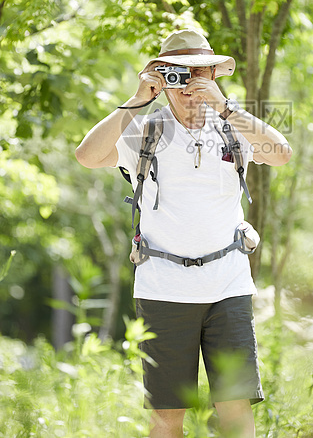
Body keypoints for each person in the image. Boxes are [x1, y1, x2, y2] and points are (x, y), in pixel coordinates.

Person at [75, 29, 292, 438]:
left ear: (212, 73)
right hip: (163, 289)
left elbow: (281, 154)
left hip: (227, 284)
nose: (186, 86)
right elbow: (86, 156)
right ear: (160, 76)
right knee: (167, 414)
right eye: (176, 74)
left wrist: (224, 106)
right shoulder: (146, 130)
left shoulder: (234, 124)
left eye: (196, 74)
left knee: (234, 407)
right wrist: (139, 99)